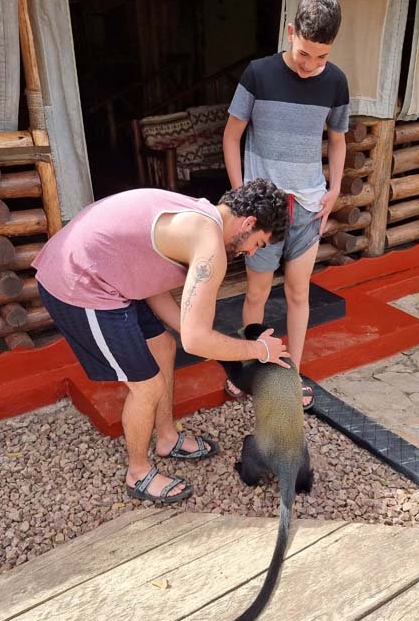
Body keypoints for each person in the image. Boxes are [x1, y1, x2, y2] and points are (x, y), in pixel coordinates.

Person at [32, 180, 289, 504]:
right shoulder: (209, 245)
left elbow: (156, 287)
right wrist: (258, 350)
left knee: (164, 346)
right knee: (147, 386)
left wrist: (209, 338)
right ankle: (137, 473)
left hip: (105, 271)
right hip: (79, 282)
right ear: (249, 223)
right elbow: (196, 340)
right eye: (259, 243)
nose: (251, 253)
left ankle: (167, 437)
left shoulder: (199, 214)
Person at [223, 0, 350, 409]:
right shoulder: (257, 73)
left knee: (299, 294)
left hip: (309, 209)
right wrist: (242, 197)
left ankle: (291, 376)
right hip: (263, 213)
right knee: (257, 295)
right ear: (290, 31)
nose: (312, 66)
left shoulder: (336, 82)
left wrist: (334, 189)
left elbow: (337, 139)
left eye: (322, 56)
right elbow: (231, 136)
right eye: (304, 54)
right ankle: (252, 374)